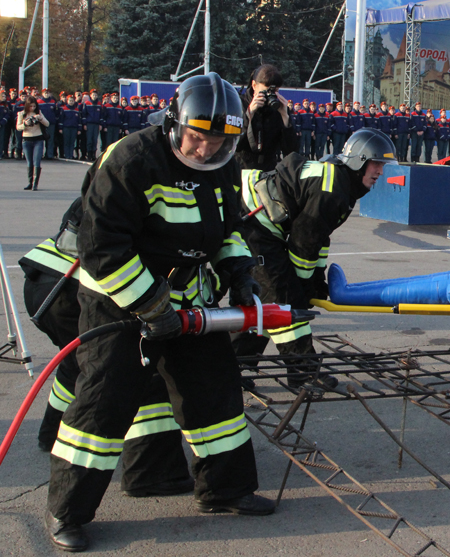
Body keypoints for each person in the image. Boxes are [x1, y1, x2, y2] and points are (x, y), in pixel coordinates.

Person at [44, 73, 273, 553]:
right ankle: (67, 512)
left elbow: (226, 229)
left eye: (219, 141)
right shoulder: (130, 159)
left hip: (188, 298)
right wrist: (151, 306)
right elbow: (102, 247)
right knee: (105, 399)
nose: (207, 150)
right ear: (173, 123)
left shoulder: (223, 162)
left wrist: (239, 274)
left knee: (214, 392)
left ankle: (225, 490)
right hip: (118, 299)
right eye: (197, 138)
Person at [19, 198, 194, 497]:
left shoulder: (134, 179)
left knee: (78, 361)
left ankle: (52, 433)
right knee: (142, 368)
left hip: (44, 276)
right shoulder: (172, 196)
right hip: (73, 291)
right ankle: (152, 473)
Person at [233, 128, 397, 387]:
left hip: (257, 221)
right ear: (359, 161)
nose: (380, 171)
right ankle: (304, 372)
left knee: (262, 301)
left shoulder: (342, 182)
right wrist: (303, 284)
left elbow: (319, 238)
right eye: (376, 164)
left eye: (382, 165)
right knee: (285, 300)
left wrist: (316, 280)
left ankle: (231, 368)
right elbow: (303, 242)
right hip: (249, 221)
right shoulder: (334, 188)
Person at [234, 64, 299, 171]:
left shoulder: (278, 109)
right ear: (254, 85)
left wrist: (285, 117)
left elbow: (291, 151)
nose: (271, 95)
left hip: (268, 169)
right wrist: (249, 113)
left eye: (275, 91)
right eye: (267, 90)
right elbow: (234, 145)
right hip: (242, 168)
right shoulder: (239, 104)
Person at [17, 95, 50, 190]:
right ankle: (30, 182)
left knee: (37, 161)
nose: (32, 108)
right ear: (27, 106)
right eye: (30, 106)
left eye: (34, 106)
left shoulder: (39, 112)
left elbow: (47, 124)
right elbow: (18, 127)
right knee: (29, 162)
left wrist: (40, 118)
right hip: (27, 140)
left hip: (38, 139)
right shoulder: (22, 114)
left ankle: (35, 183)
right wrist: (25, 123)